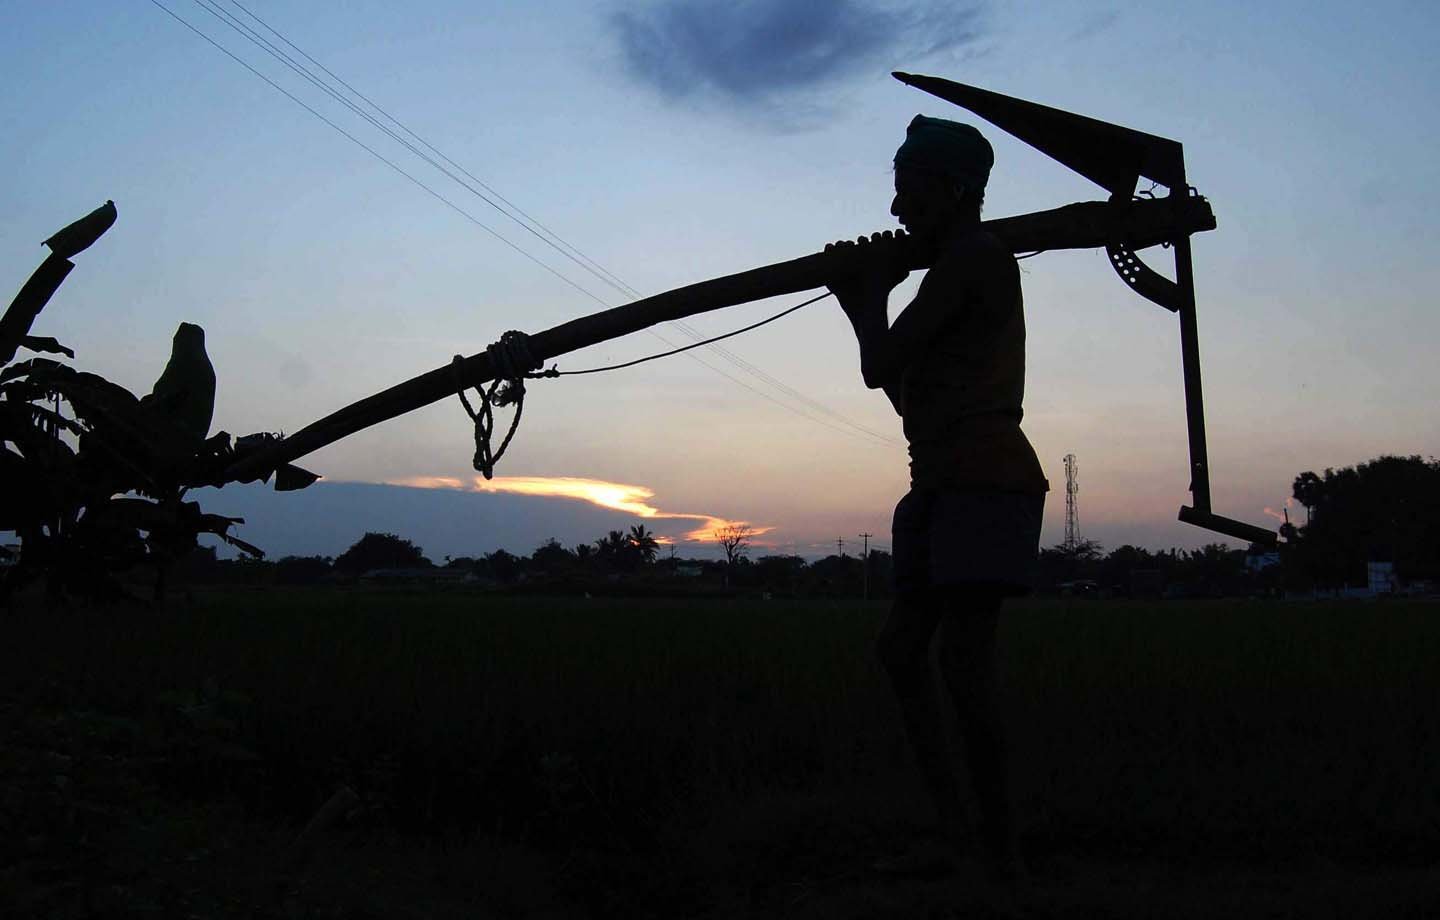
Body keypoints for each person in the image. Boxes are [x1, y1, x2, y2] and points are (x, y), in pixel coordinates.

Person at [825, 115, 1049, 890]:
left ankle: (1001, 859)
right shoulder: (946, 271)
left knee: (962, 667)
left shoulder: (974, 261)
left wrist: (863, 299)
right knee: (901, 652)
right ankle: (960, 839)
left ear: (953, 190)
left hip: (985, 482)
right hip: (940, 482)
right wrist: (870, 299)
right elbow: (901, 394)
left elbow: (876, 361)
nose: (894, 211)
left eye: (907, 189)